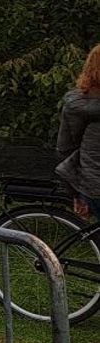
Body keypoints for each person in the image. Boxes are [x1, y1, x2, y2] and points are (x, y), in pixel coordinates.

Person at [54, 44, 100, 218]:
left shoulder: (77, 106)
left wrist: (76, 192)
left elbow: (65, 149)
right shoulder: (80, 108)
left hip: (92, 186)